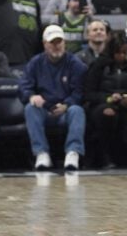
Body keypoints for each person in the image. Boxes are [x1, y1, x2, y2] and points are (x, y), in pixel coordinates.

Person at [21, 24, 87, 171]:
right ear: (45, 44)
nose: (56, 46)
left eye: (59, 42)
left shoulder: (76, 64)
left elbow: (80, 91)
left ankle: (73, 152)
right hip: (43, 109)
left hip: (65, 110)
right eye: (52, 42)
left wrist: (66, 104)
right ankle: (41, 153)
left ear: (65, 43)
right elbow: (24, 86)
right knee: (30, 108)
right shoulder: (35, 63)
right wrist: (32, 96)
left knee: (77, 111)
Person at [84, 32, 127, 168]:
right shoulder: (99, 65)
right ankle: (105, 157)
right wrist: (109, 98)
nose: (123, 57)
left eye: (125, 52)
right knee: (108, 114)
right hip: (104, 104)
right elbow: (89, 94)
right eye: (119, 53)